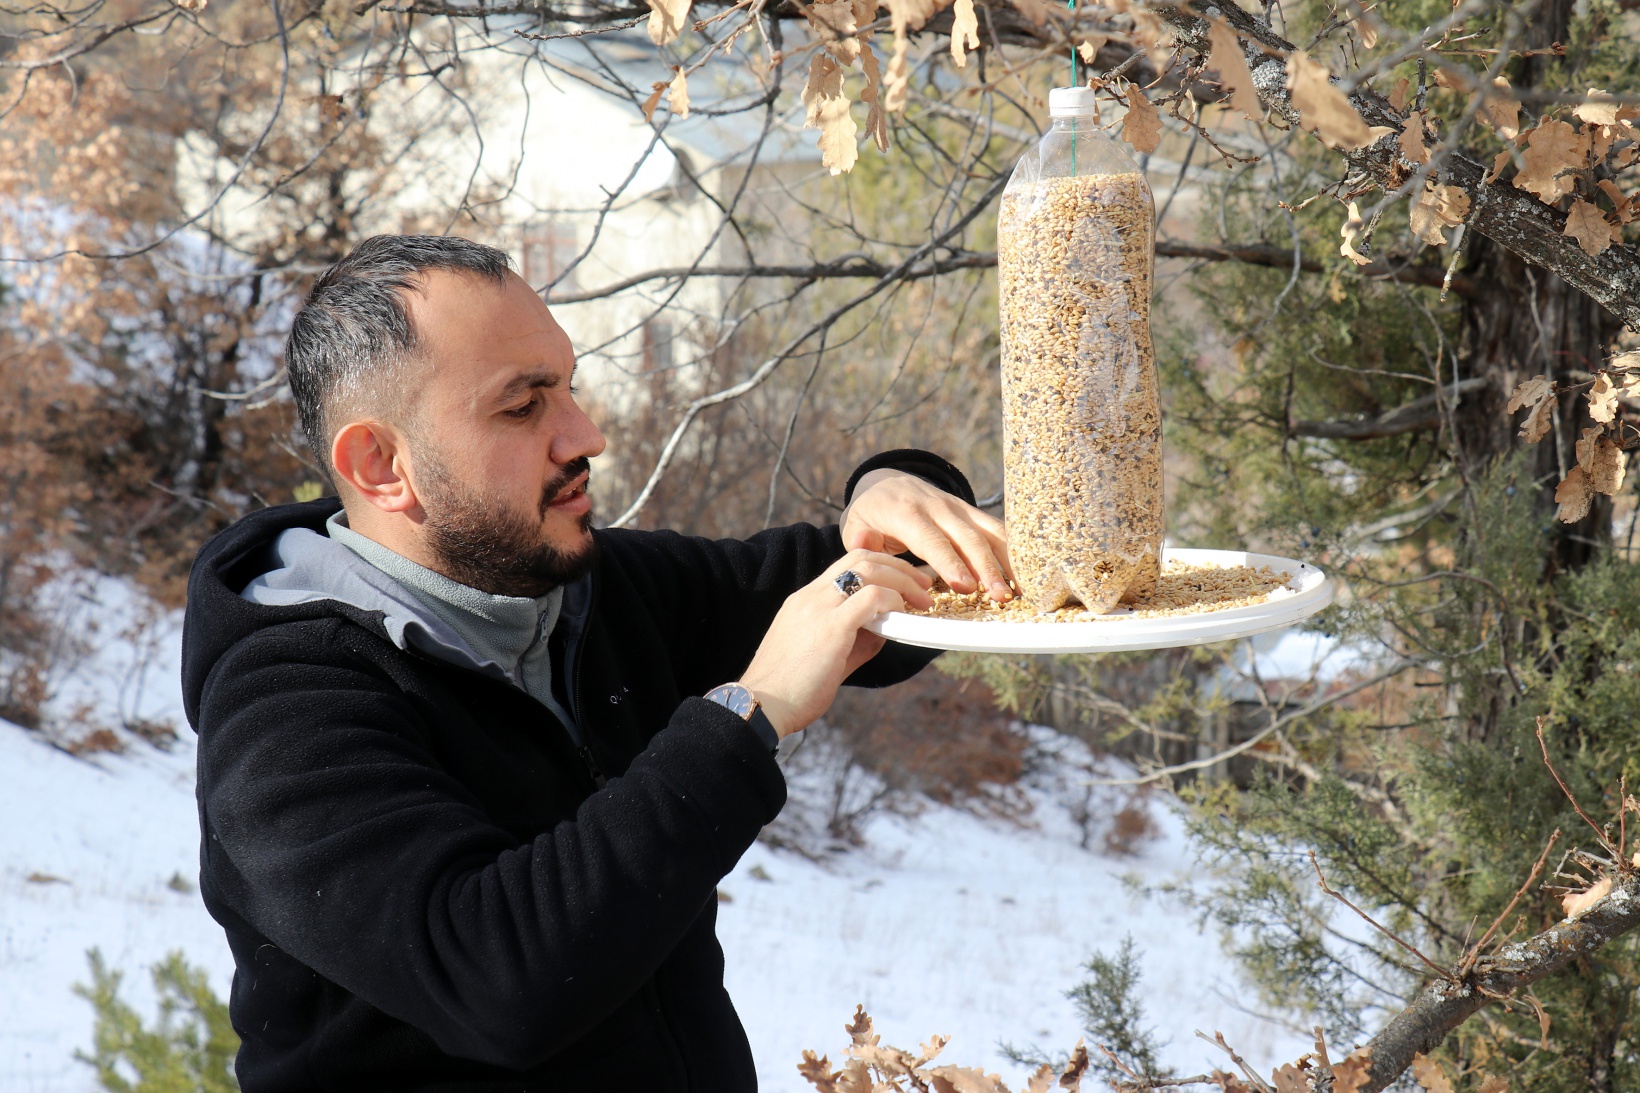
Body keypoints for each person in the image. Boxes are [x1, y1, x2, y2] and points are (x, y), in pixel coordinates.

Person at [181, 235, 1013, 1092]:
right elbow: (500, 981)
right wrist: (747, 713)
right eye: (522, 407)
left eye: (568, 388)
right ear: (381, 465)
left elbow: (873, 582)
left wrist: (890, 486)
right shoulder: (285, 708)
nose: (587, 435)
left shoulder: (590, 590)